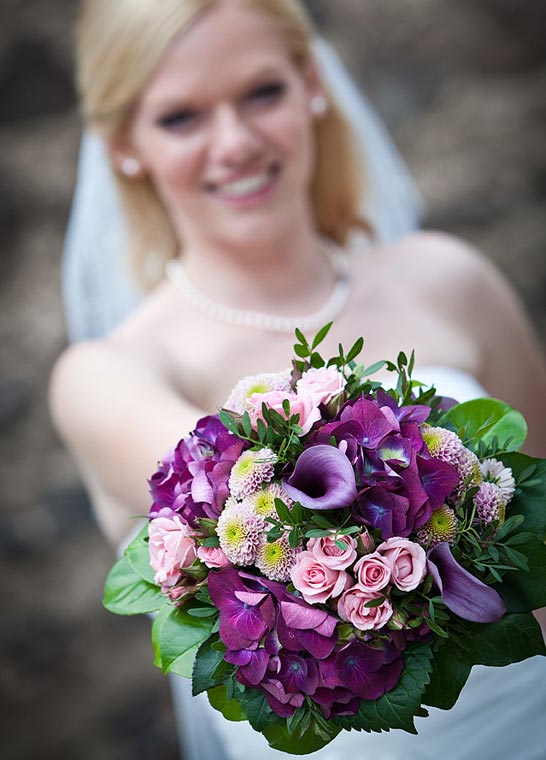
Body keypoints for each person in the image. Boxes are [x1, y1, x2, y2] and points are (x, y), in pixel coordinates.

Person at [49, 1, 546, 758]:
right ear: (123, 143)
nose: (236, 143)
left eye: (261, 93)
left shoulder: (450, 280)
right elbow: (252, 509)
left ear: (313, 85)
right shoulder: (110, 374)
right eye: (181, 117)